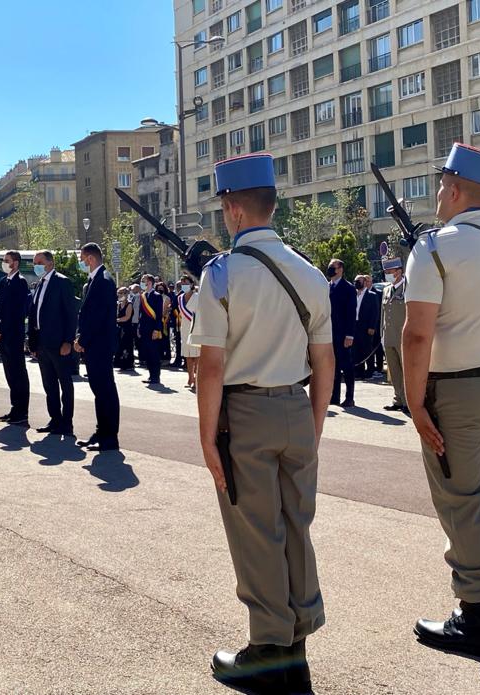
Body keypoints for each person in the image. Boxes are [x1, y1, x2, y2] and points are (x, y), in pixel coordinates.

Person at [192, 154, 333, 694]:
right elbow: (324, 362)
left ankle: (269, 653)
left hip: (244, 413)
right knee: (295, 525)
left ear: (232, 210)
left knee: (256, 532)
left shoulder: (222, 275)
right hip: (296, 406)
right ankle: (295, 643)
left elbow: (211, 365)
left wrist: (206, 436)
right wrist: (313, 423)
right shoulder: (311, 274)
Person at [404, 144, 480, 658]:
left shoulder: (436, 247)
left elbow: (416, 336)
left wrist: (414, 404)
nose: (436, 194)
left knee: (462, 502)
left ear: (454, 189)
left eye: (440, 185)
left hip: (455, 390)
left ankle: (477, 617)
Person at [75, 243, 120, 451]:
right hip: (95, 345)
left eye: (82, 258)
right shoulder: (95, 280)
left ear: (91, 259)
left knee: (105, 391)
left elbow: (98, 317)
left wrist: (82, 340)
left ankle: (109, 437)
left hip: (99, 345)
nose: (81, 262)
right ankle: (101, 431)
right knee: (100, 391)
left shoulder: (103, 281)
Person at [28, 251, 77, 436]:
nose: (36, 266)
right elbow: (34, 313)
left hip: (58, 343)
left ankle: (67, 423)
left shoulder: (61, 282)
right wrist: (32, 343)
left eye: (38, 262)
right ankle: (55, 419)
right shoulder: (39, 284)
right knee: (49, 384)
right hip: (41, 343)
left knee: (65, 383)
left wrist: (68, 341)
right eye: (34, 263)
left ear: (50, 262)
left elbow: (70, 314)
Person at [0, 250, 30, 426]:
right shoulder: (3, 282)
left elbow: (18, 313)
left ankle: (22, 411)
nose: (4, 263)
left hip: (13, 334)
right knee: (9, 373)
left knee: (18, 373)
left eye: (6, 260)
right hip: (2, 334)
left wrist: (4, 331)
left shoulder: (20, 283)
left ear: (15, 263)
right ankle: (15, 408)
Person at [327, 258, 357, 407]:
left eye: (333, 267)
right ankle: (335, 396)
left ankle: (350, 397)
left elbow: (351, 313)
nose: (330, 269)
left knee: (347, 366)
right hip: (330, 334)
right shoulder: (327, 287)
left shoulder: (348, 288)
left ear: (340, 270)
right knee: (334, 366)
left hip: (344, 334)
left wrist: (349, 335)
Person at [380, 258, 408, 412]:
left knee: (406, 371)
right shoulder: (386, 289)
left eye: (389, 272)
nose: (387, 275)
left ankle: (408, 401)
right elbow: (383, 315)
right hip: (389, 337)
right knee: (394, 371)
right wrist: (381, 335)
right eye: (386, 272)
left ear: (399, 271)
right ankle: (398, 399)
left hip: (403, 337)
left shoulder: (407, 288)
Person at [137, 274, 165, 386]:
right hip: (144, 328)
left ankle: (156, 376)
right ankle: (150, 375)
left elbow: (159, 315)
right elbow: (141, 314)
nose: (142, 283)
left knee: (154, 354)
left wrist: (157, 329)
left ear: (149, 282)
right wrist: (139, 327)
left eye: (144, 281)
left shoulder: (157, 296)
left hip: (153, 329)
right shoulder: (142, 296)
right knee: (147, 353)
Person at [353, 274, 380, 380]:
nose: (356, 283)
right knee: (356, 349)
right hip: (355, 326)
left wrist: (372, 326)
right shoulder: (353, 295)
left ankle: (369, 371)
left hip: (366, 326)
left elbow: (375, 312)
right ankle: (358, 372)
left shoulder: (372, 295)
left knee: (367, 349)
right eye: (355, 281)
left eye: (359, 281)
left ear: (365, 283)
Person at [178, 276, 199, 390]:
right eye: (182, 283)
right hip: (185, 328)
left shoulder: (197, 297)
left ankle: (196, 379)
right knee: (188, 355)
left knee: (196, 355)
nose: (183, 285)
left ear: (191, 284)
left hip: (196, 327)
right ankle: (190, 377)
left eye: (185, 282)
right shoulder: (180, 298)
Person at [114, 287, 134, 371]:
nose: (119, 295)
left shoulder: (129, 304)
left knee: (127, 346)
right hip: (119, 328)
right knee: (120, 346)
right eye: (119, 293)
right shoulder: (118, 304)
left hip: (127, 328)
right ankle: (120, 363)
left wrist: (116, 320)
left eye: (121, 293)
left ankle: (128, 364)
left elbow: (127, 317)